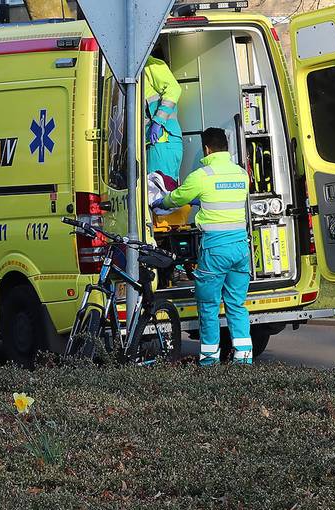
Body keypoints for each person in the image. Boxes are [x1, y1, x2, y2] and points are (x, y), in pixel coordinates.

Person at [151, 127, 252, 366]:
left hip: (215, 250)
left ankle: (209, 359)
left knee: (208, 305)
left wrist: (159, 201)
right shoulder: (241, 174)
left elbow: (176, 198)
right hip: (240, 248)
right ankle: (244, 358)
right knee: (236, 304)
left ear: (206, 148)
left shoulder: (201, 176)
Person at [144, 46, 183, 180]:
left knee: (159, 193)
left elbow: (174, 89)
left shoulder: (149, 64)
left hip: (162, 140)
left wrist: (158, 120)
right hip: (158, 142)